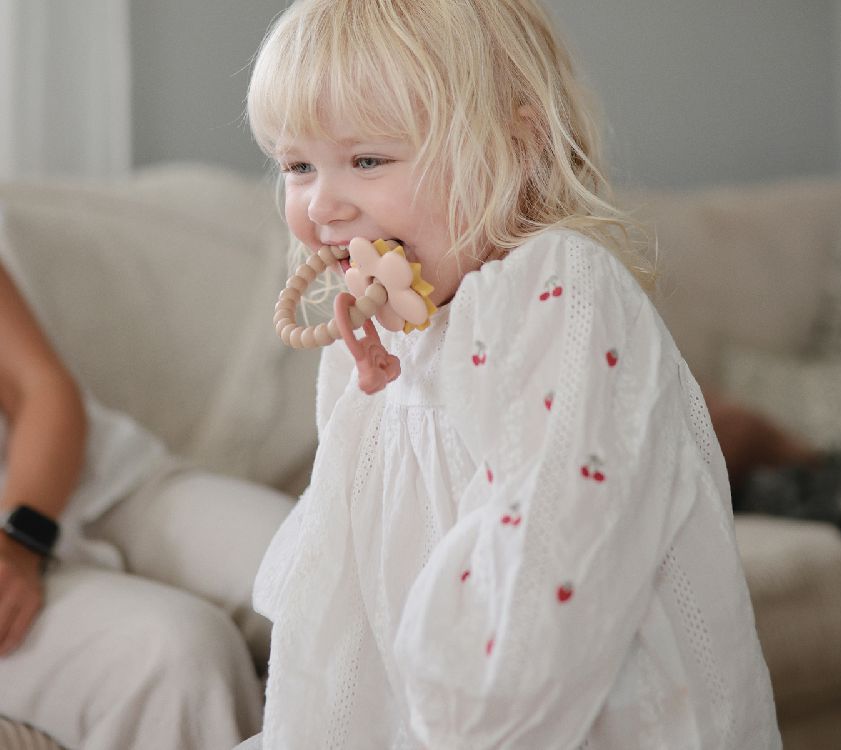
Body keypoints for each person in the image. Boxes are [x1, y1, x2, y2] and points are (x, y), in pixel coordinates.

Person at [240, 0, 782, 747]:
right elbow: (348, 577)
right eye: (297, 165)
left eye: (367, 159)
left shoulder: (559, 291)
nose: (321, 204)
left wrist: (460, 715)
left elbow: (547, 569)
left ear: (515, 147)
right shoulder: (367, 330)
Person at [0, 253, 294, 748]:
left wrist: (20, 537)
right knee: (179, 655)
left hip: (106, 484)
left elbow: (40, 387)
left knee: (319, 560)